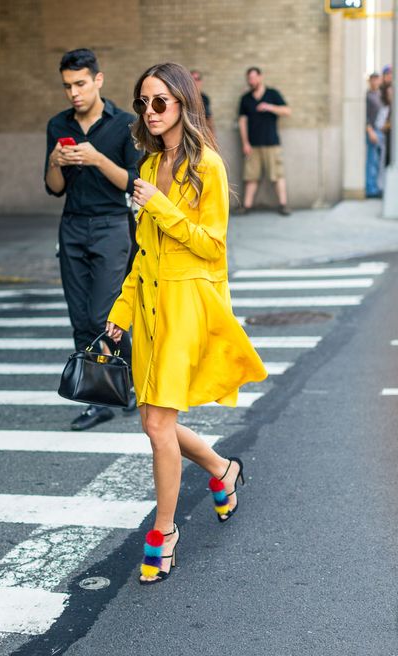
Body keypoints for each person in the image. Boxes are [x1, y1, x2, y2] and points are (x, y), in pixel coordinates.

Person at [105, 62, 267, 585]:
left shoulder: (210, 167)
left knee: (155, 425)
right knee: (160, 423)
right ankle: (223, 470)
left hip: (188, 306)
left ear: (182, 103)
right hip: (152, 309)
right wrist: (119, 315)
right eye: (143, 103)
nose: (150, 113)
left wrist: (162, 208)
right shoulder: (149, 167)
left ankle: (165, 531)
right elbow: (143, 255)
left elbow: (212, 246)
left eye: (160, 102)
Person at [45, 48, 139, 431]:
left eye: (80, 83)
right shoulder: (58, 124)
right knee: (81, 320)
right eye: (68, 86)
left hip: (111, 225)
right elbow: (53, 189)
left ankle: (130, 377)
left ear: (98, 80)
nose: (74, 93)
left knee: (103, 316)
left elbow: (134, 184)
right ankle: (96, 400)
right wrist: (55, 162)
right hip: (72, 226)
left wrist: (98, 159)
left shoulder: (125, 124)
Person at [238, 66, 291, 215]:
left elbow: (287, 111)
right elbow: (242, 122)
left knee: (277, 175)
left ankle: (283, 205)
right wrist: (245, 143)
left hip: (271, 143)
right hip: (253, 145)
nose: (252, 81)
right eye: (249, 78)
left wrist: (270, 107)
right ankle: (246, 206)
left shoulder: (272, 94)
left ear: (260, 77)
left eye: (254, 78)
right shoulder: (245, 99)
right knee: (251, 177)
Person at [365, 72, 384, 198]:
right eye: (373, 79)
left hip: (381, 130)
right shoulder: (367, 96)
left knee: (378, 162)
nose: (375, 82)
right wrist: (370, 130)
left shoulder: (381, 95)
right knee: (372, 161)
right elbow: (365, 115)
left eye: (377, 79)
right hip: (372, 131)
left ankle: (376, 187)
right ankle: (370, 189)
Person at [190, 69, 216, 135]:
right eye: (192, 79)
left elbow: (209, 118)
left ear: (201, 81)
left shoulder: (205, 98)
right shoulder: (184, 98)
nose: (195, 82)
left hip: (202, 134)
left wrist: (213, 137)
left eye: (197, 79)